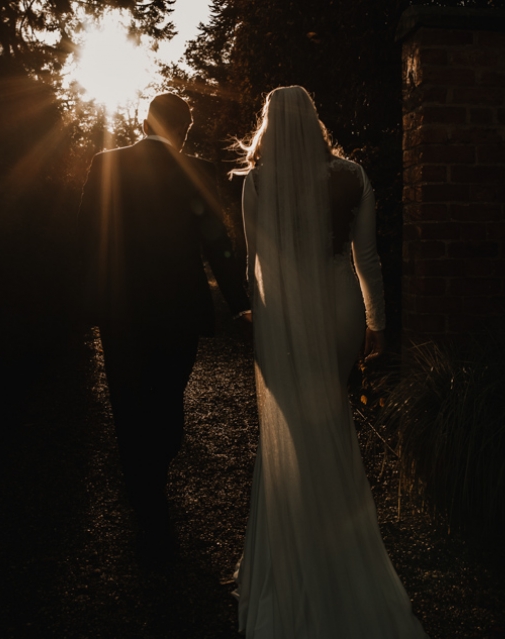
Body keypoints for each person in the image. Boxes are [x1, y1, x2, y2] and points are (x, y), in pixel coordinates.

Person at [232, 86, 428, 638]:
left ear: (270, 125)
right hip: (342, 310)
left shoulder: (256, 182)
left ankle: (296, 554)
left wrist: (264, 321)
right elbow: (367, 258)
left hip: (288, 314)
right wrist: (377, 323)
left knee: (295, 426)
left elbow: (253, 265)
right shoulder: (352, 175)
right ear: (315, 121)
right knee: (330, 418)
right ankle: (336, 545)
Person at [76, 93, 251, 563]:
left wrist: (82, 300)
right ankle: (153, 481)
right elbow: (219, 244)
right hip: (178, 309)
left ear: (144, 121)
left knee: (126, 399)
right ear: (186, 128)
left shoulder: (105, 162)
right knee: (168, 394)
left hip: (121, 308)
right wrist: (241, 305)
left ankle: (143, 489)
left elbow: (84, 236)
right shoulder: (196, 169)